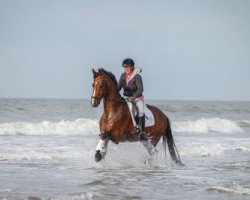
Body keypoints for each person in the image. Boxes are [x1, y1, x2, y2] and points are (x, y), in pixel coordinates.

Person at [118, 58, 147, 140]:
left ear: (132, 67)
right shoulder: (123, 76)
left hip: (137, 98)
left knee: (140, 111)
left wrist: (133, 97)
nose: (126, 69)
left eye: (127, 67)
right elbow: (119, 87)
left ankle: (142, 131)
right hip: (126, 98)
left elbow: (140, 89)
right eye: (124, 67)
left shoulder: (137, 76)